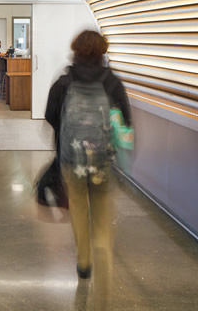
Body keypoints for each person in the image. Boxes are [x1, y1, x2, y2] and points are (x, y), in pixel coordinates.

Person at [45, 30, 131, 288]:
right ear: (103, 51)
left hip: (72, 159)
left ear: (76, 50)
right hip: (102, 161)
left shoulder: (64, 81)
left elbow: (51, 115)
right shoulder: (112, 81)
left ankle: (84, 261)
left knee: (79, 209)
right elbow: (125, 120)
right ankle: (103, 253)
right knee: (102, 211)